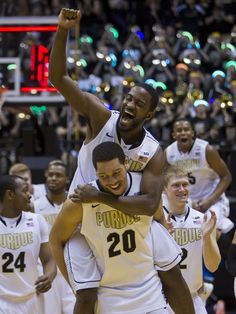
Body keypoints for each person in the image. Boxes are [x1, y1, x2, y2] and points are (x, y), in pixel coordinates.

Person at [49, 8, 166, 312]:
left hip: (122, 226)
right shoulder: (101, 118)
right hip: (83, 222)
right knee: (86, 299)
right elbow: (59, 78)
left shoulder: (153, 151)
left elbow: (150, 204)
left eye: (138, 104)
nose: (129, 104)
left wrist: (99, 196)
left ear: (149, 115)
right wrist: (62, 31)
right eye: (128, 98)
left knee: (161, 277)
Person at [50, 142, 195, 314]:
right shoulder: (80, 201)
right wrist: (74, 285)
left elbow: (157, 215)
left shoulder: (144, 188)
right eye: (103, 176)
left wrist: (165, 235)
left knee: (170, 266)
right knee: (84, 293)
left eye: (116, 173)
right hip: (108, 296)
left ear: (126, 163)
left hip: (149, 291)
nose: (112, 181)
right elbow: (55, 239)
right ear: (95, 172)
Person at [162, 166, 221, 314]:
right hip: (162, 300)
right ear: (164, 190)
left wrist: (207, 238)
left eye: (185, 184)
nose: (182, 189)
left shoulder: (203, 220)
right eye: (176, 185)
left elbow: (213, 266)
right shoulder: (157, 221)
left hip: (192, 297)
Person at [164, 118, 233, 235]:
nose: (183, 133)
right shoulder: (169, 152)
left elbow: (226, 177)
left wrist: (210, 200)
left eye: (186, 129)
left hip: (211, 197)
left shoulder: (207, 150)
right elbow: (163, 181)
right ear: (174, 135)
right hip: (186, 199)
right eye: (179, 130)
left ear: (192, 133)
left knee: (210, 229)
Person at [0, 175, 57, 314]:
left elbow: (49, 259)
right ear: (10, 194)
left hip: (32, 299)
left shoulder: (37, 221)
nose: (30, 195)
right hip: (2, 301)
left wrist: (49, 276)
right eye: (25, 191)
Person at [34, 160, 75, 313]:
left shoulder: (74, 204)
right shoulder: (35, 206)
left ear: (67, 179)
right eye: (50, 174)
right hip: (48, 271)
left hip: (72, 268)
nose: (53, 178)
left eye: (58, 175)